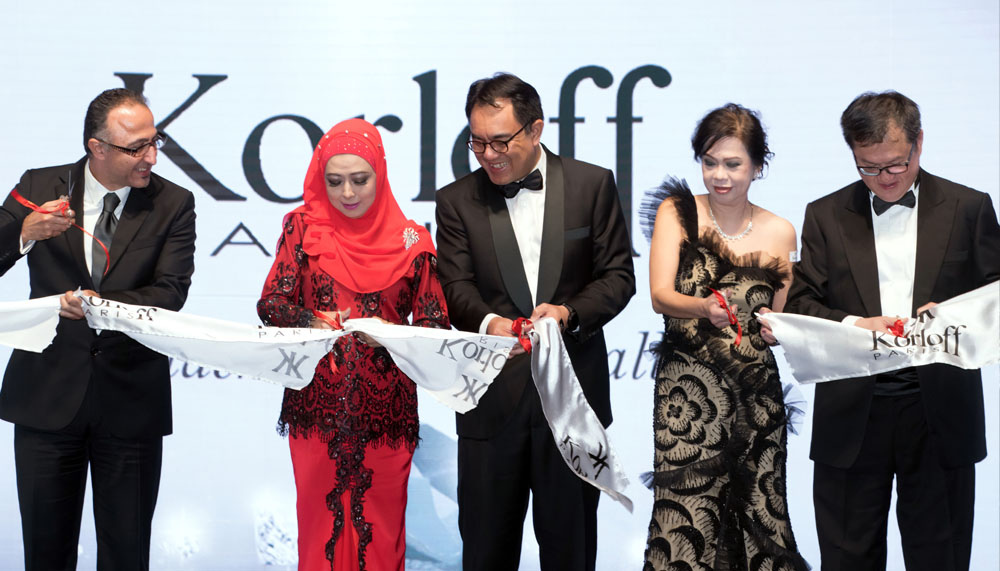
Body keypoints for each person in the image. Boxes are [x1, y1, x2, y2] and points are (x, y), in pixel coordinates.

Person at [783, 91, 1000, 571]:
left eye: (896, 164)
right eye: (868, 167)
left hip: (940, 413)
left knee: (941, 557)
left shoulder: (969, 207)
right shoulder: (825, 214)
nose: (885, 178)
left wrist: (954, 313)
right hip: (853, 414)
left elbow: (997, 295)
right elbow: (800, 304)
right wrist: (855, 325)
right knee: (848, 558)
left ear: (919, 143)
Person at [434, 72, 635, 571]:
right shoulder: (456, 200)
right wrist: (491, 323)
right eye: (477, 142)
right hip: (490, 405)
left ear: (536, 128)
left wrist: (569, 313)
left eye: (501, 141)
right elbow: (455, 289)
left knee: (571, 553)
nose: (488, 154)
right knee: (485, 553)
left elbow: (618, 277)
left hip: (572, 404)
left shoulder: (591, 185)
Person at [0, 88, 197, 570]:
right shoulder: (40, 185)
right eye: (136, 147)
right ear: (98, 147)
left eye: (155, 142)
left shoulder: (174, 202)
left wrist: (97, 306)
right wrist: (24, 233)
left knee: (127, 555)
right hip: (47, 398)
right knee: (45, 555)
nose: (151, 157)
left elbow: (170, 292)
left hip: (131, 402)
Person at [257, 118, 449, 570]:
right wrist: (313, 320)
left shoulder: (413, 243)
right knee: (318, 531)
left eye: (360, 180)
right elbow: (271, 304)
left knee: (381, 534)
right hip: (316, 406)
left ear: (380, 174)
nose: (347, 192)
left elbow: (435, 327)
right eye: (335, 181)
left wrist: (388, 333)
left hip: (386, 412)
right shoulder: (302, 229)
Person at [642, 103, 807, 570]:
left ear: (758, 166)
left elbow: (780, 319)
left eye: (733, 164)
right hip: (687, 400)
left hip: (756, 399)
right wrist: (702, 308)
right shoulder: (678, 213)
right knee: (684, 522)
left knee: (761, 520)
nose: (720, 175)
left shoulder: (781, 231)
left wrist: (781, 329)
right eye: (709, 162)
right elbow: (659, 295)